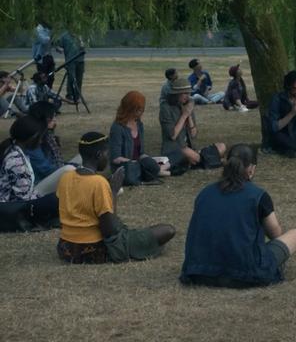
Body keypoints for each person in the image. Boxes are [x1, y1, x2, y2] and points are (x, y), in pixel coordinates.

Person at [180, 144, 296, 287]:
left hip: (199, 272)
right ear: (251, 168)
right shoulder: (258, 196)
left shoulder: (205, 193)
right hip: (245, 274)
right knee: (295, 235)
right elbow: (276, 234)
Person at [56, 132, 175, 264]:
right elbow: (110, 231)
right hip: (94, 249)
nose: (108, 158)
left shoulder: (65, 178)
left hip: (65, 247)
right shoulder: (98, 183)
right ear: (99, 155)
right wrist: (113, 191)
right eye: (107, 154)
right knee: (167, 230)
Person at [0, 116, 71, 231]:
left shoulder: (17, 150)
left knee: (66, 181)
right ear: (32, 138)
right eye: (40, 137)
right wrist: (49, 198)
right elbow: (23, 199)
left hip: (27, 196)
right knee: (58, 196)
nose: (42, 141)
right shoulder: (16, 161)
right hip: (14, 207)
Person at [159, 77, 226, 174]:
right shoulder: (166, 108)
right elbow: (172, 135)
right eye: (185, 93)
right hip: (175, 148)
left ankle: (198, 161)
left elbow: (193, 134)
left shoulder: (188, 105)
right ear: (176, 94)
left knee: (222, 146)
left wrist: (189, 115)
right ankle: (211, 161)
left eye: (189, 93)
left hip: (190, 148)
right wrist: (184, 115)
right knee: (195, 156)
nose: (188, 96)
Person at [109, 91, 170, 184]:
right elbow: (115, 158)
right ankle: (158, 172)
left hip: (139, 162)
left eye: (142, 109)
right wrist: (135, 162)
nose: (141, 113)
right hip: (127, 166)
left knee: (166, 162)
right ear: (129, 109)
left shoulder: (139, 124)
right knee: (150, 166)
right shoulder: (117, 128)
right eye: (139, 110)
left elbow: (141, 153)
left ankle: (157, 171)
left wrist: (150, 160)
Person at [24, 102, 65, 182]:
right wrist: (70, 171)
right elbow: (46, 169)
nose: (55, 120)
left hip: (51, 175)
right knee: (72, 170)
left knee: (82, 160)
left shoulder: (47, 136)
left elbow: (57, 162)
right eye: (52, 117)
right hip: (38, 184)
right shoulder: (33, 140)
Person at [54, 29, 85, 103]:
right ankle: (69, 95)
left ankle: (78, 95)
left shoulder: (80, 35)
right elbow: (57, 46)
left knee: (79, 79)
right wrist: (59, 49)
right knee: (71, 78)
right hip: (70, 60)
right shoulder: (64, 36)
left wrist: (81, 40)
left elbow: (83, 47)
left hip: (80, 60)